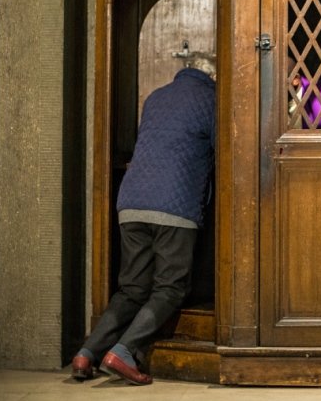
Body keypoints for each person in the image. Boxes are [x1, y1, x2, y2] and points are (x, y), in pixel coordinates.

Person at [71, 56, 216, 385]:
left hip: (131, 201)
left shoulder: (156, 96)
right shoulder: (211, 99)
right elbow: (224, 149)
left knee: (132, 289)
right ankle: (123, 352)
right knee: (170, 287)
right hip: (174, 207)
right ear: (212, 76)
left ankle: (87, 353)